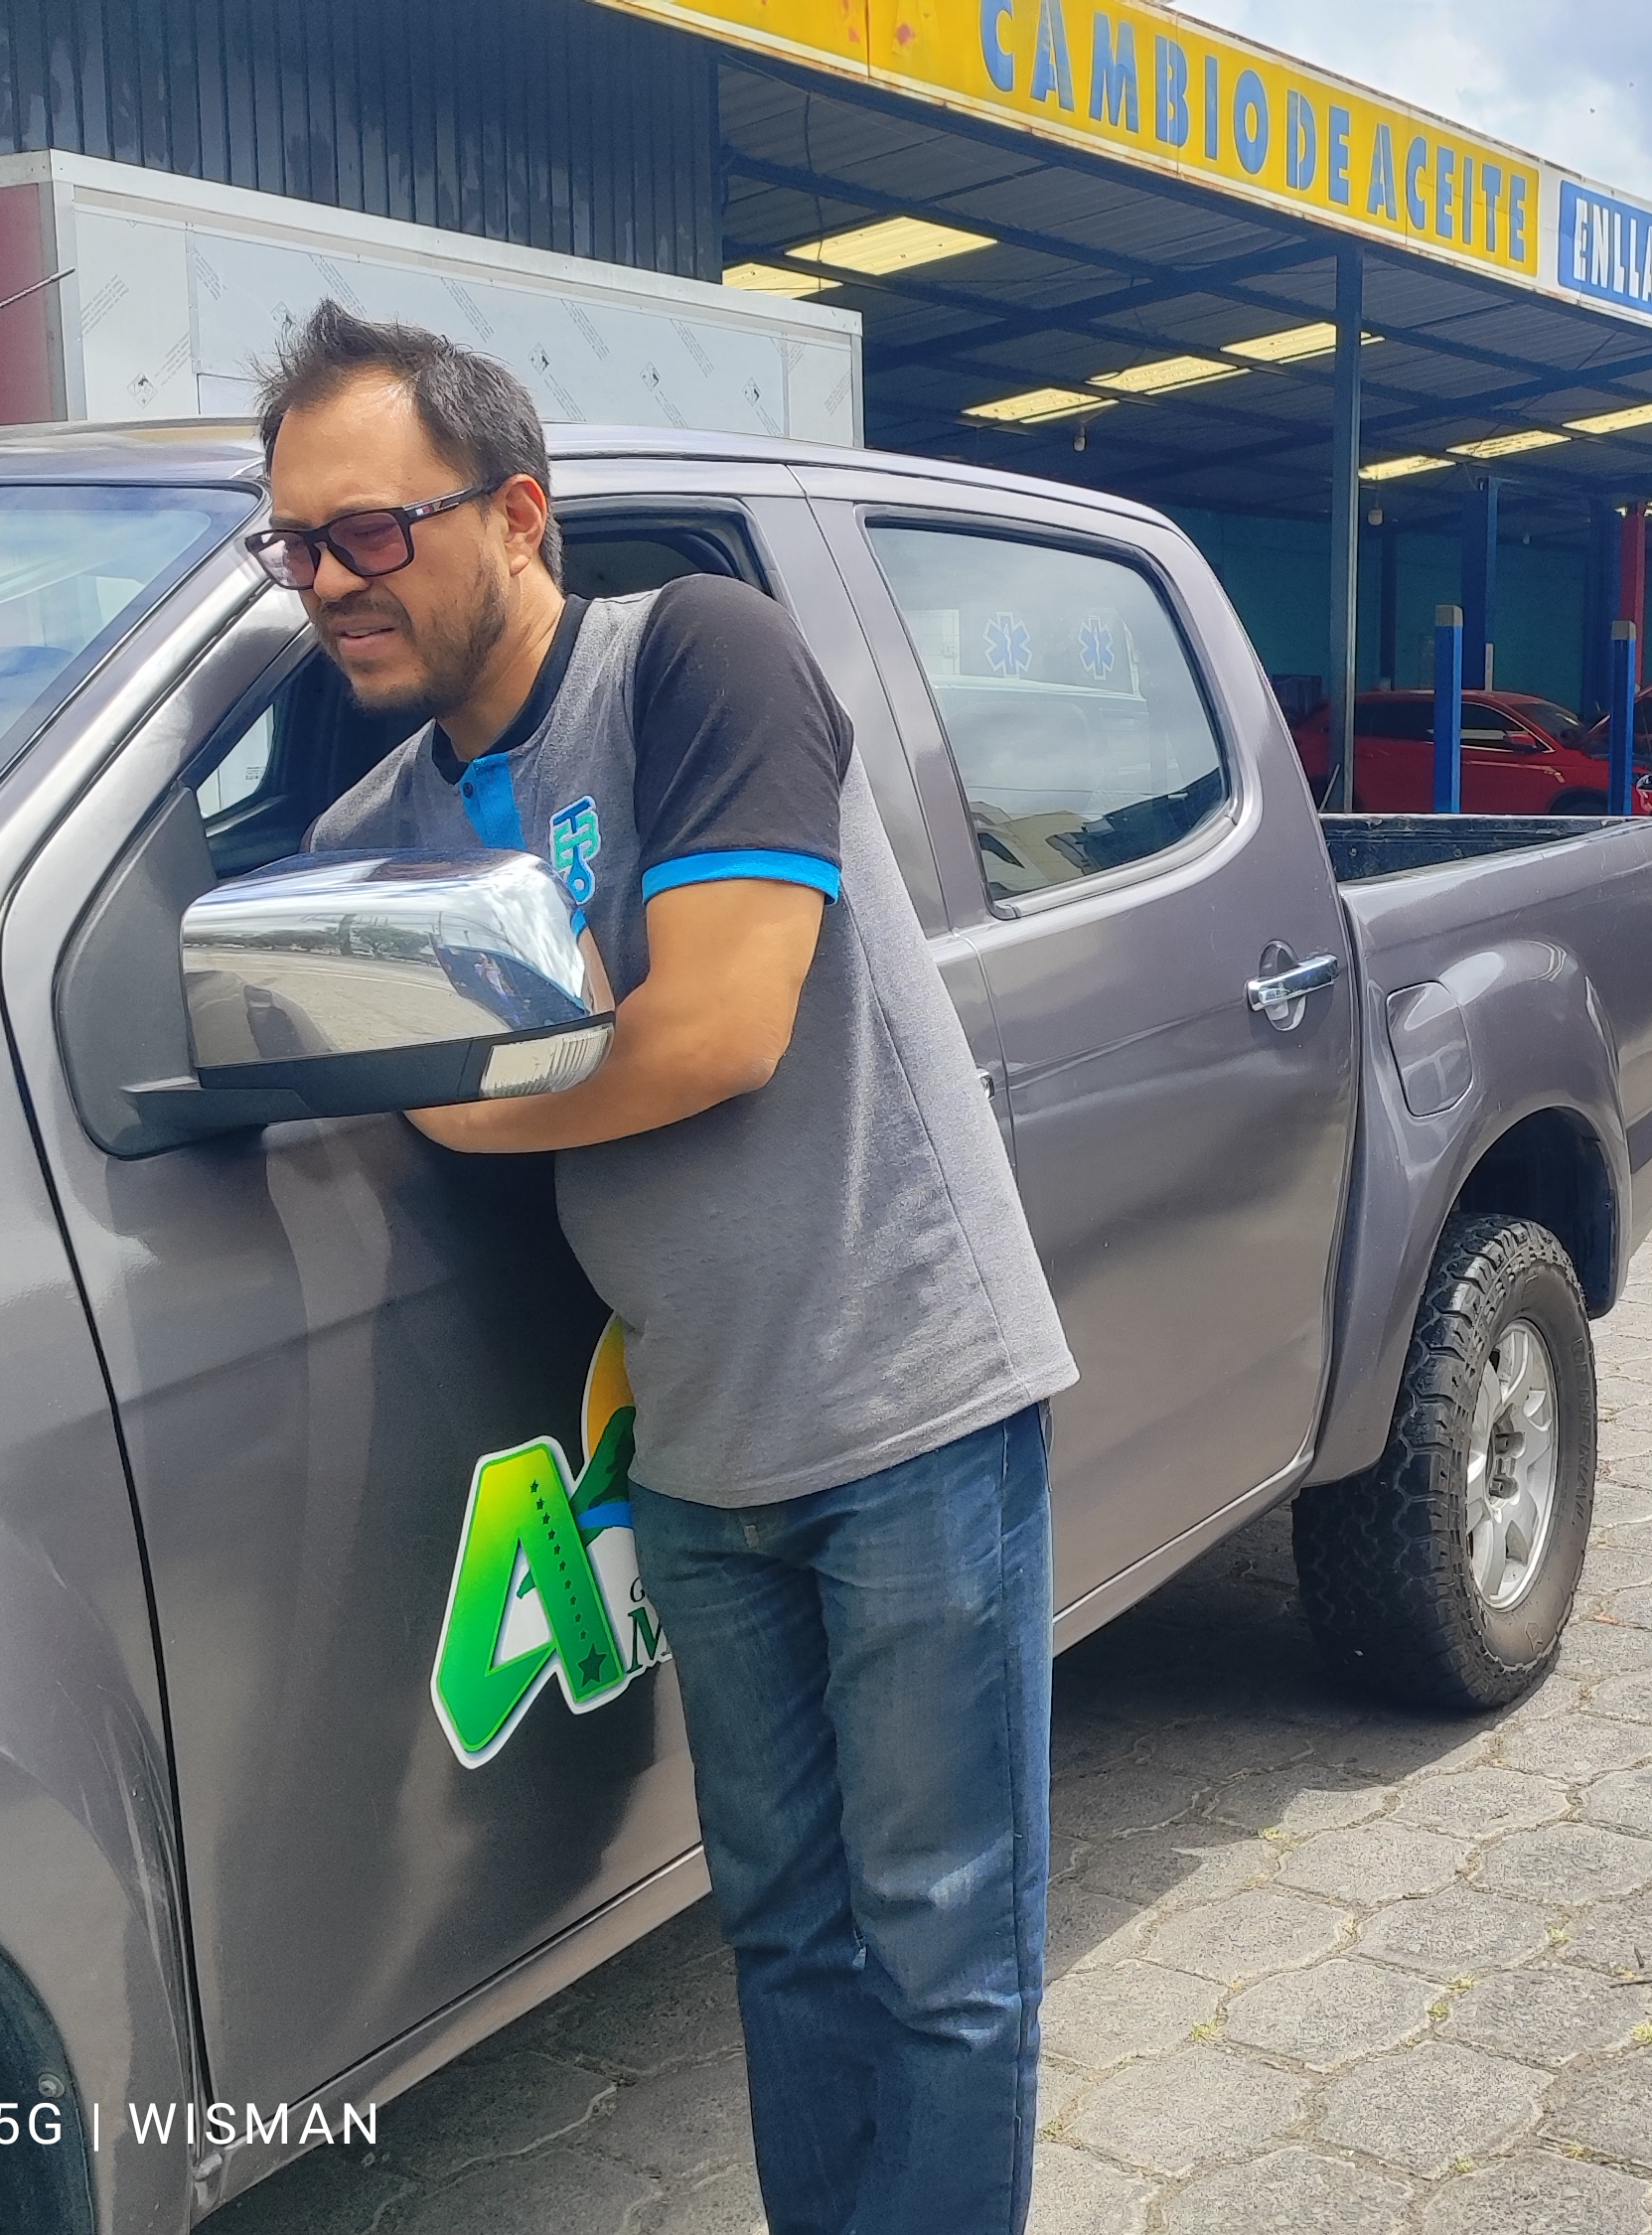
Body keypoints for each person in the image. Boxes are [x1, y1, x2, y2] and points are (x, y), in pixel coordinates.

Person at [257, 301, 1076, 2235]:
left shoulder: (699, 657)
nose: (330, 580)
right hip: (696, 1444)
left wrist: (464, 1108)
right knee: (783, 1928)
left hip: (906, 1404)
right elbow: (286, 1020)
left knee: (943, 1943)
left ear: (516, 514)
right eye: (292, 543)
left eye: (370, 530)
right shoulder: (382, 824)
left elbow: (717, 1030)